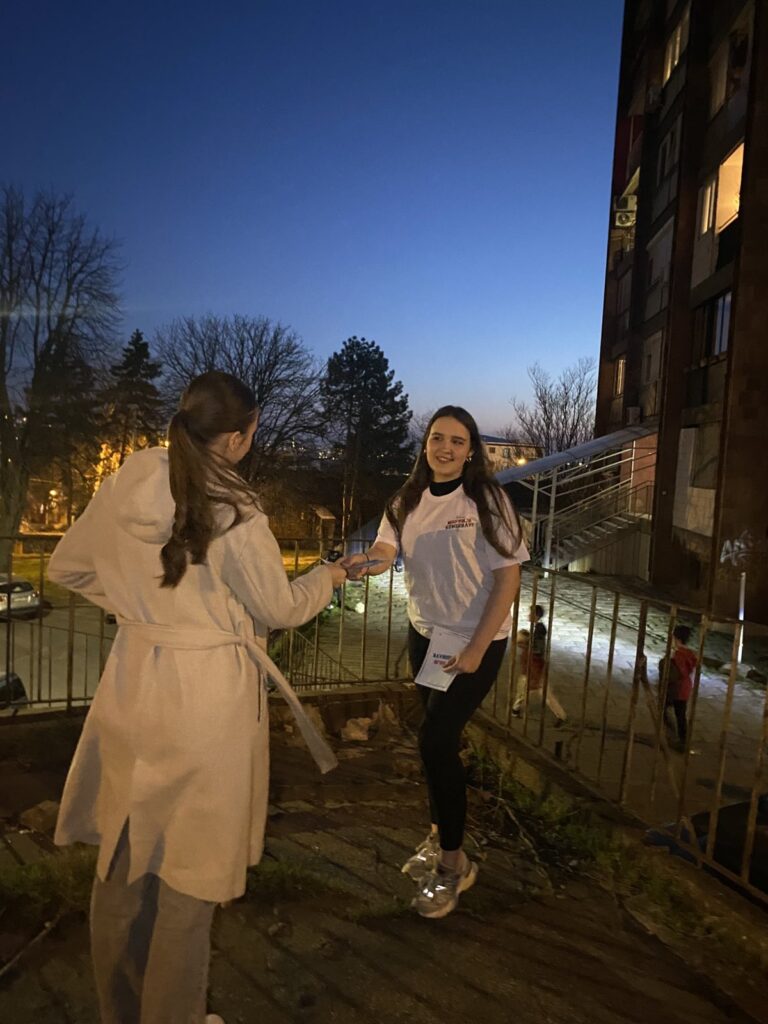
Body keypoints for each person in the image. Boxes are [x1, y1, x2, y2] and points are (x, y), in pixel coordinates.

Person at [48, 371, 348, 1024]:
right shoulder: (235, 507)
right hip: (206, 702)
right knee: (190, 877)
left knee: (123, 858)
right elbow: (280, 608)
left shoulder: (128, 480)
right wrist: (329, 575)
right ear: (241, 435)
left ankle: (121, 1012)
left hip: (132, 685)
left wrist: (141, 612)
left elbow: (65, 566)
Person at [342, 405, 528, 918]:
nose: (445, 448)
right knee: (435, 745)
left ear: (471, 451)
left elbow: (508, 579)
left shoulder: (487, 499)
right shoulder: (407, 500)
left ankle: (453, 863)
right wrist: (365, 563)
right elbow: (386, 549)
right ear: (425, 444)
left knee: (435, 740)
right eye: (437, 438)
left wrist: (477, 648)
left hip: (477, 641)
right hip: (427, 635)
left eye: (457, 441)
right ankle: (438, 832)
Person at [511, 607, 567, 724]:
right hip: (532, 667)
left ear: (536, 616)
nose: (528, 615)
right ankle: (515, 709)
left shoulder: (539, 631)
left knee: (534, 691)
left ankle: (561, 716)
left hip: (534, 667)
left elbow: (538, 650)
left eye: (530, 613)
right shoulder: (537, 629)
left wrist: (527, 645)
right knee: (526, 690)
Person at [659, 624, 698, 750]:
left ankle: (676, 738)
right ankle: (681, 739)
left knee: (664, 710)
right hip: (685, 688)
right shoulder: (690, 654)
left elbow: (675, 674)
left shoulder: (678, 655)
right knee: (680, 714)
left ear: (676, 638)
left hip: (676, 689)